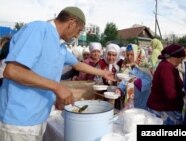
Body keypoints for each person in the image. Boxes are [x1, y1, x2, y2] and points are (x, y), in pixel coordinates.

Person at [0, 6, 114, 141]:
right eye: (78, 31)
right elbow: (13, 71)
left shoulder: (60, 45)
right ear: (71, 23)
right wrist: (57, 87)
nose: (77, 35)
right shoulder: (39, 29)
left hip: (38, 118)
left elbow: (77, 65)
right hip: (18, 121)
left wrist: (103, 73)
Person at [147, 44, 186, 125]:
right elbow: (170, 93)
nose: (180, 62)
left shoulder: (168, 67)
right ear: (175, 58)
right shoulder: (166, 69)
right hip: (162, 110)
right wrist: (183, 94)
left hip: (163, 108)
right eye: (181, 59)